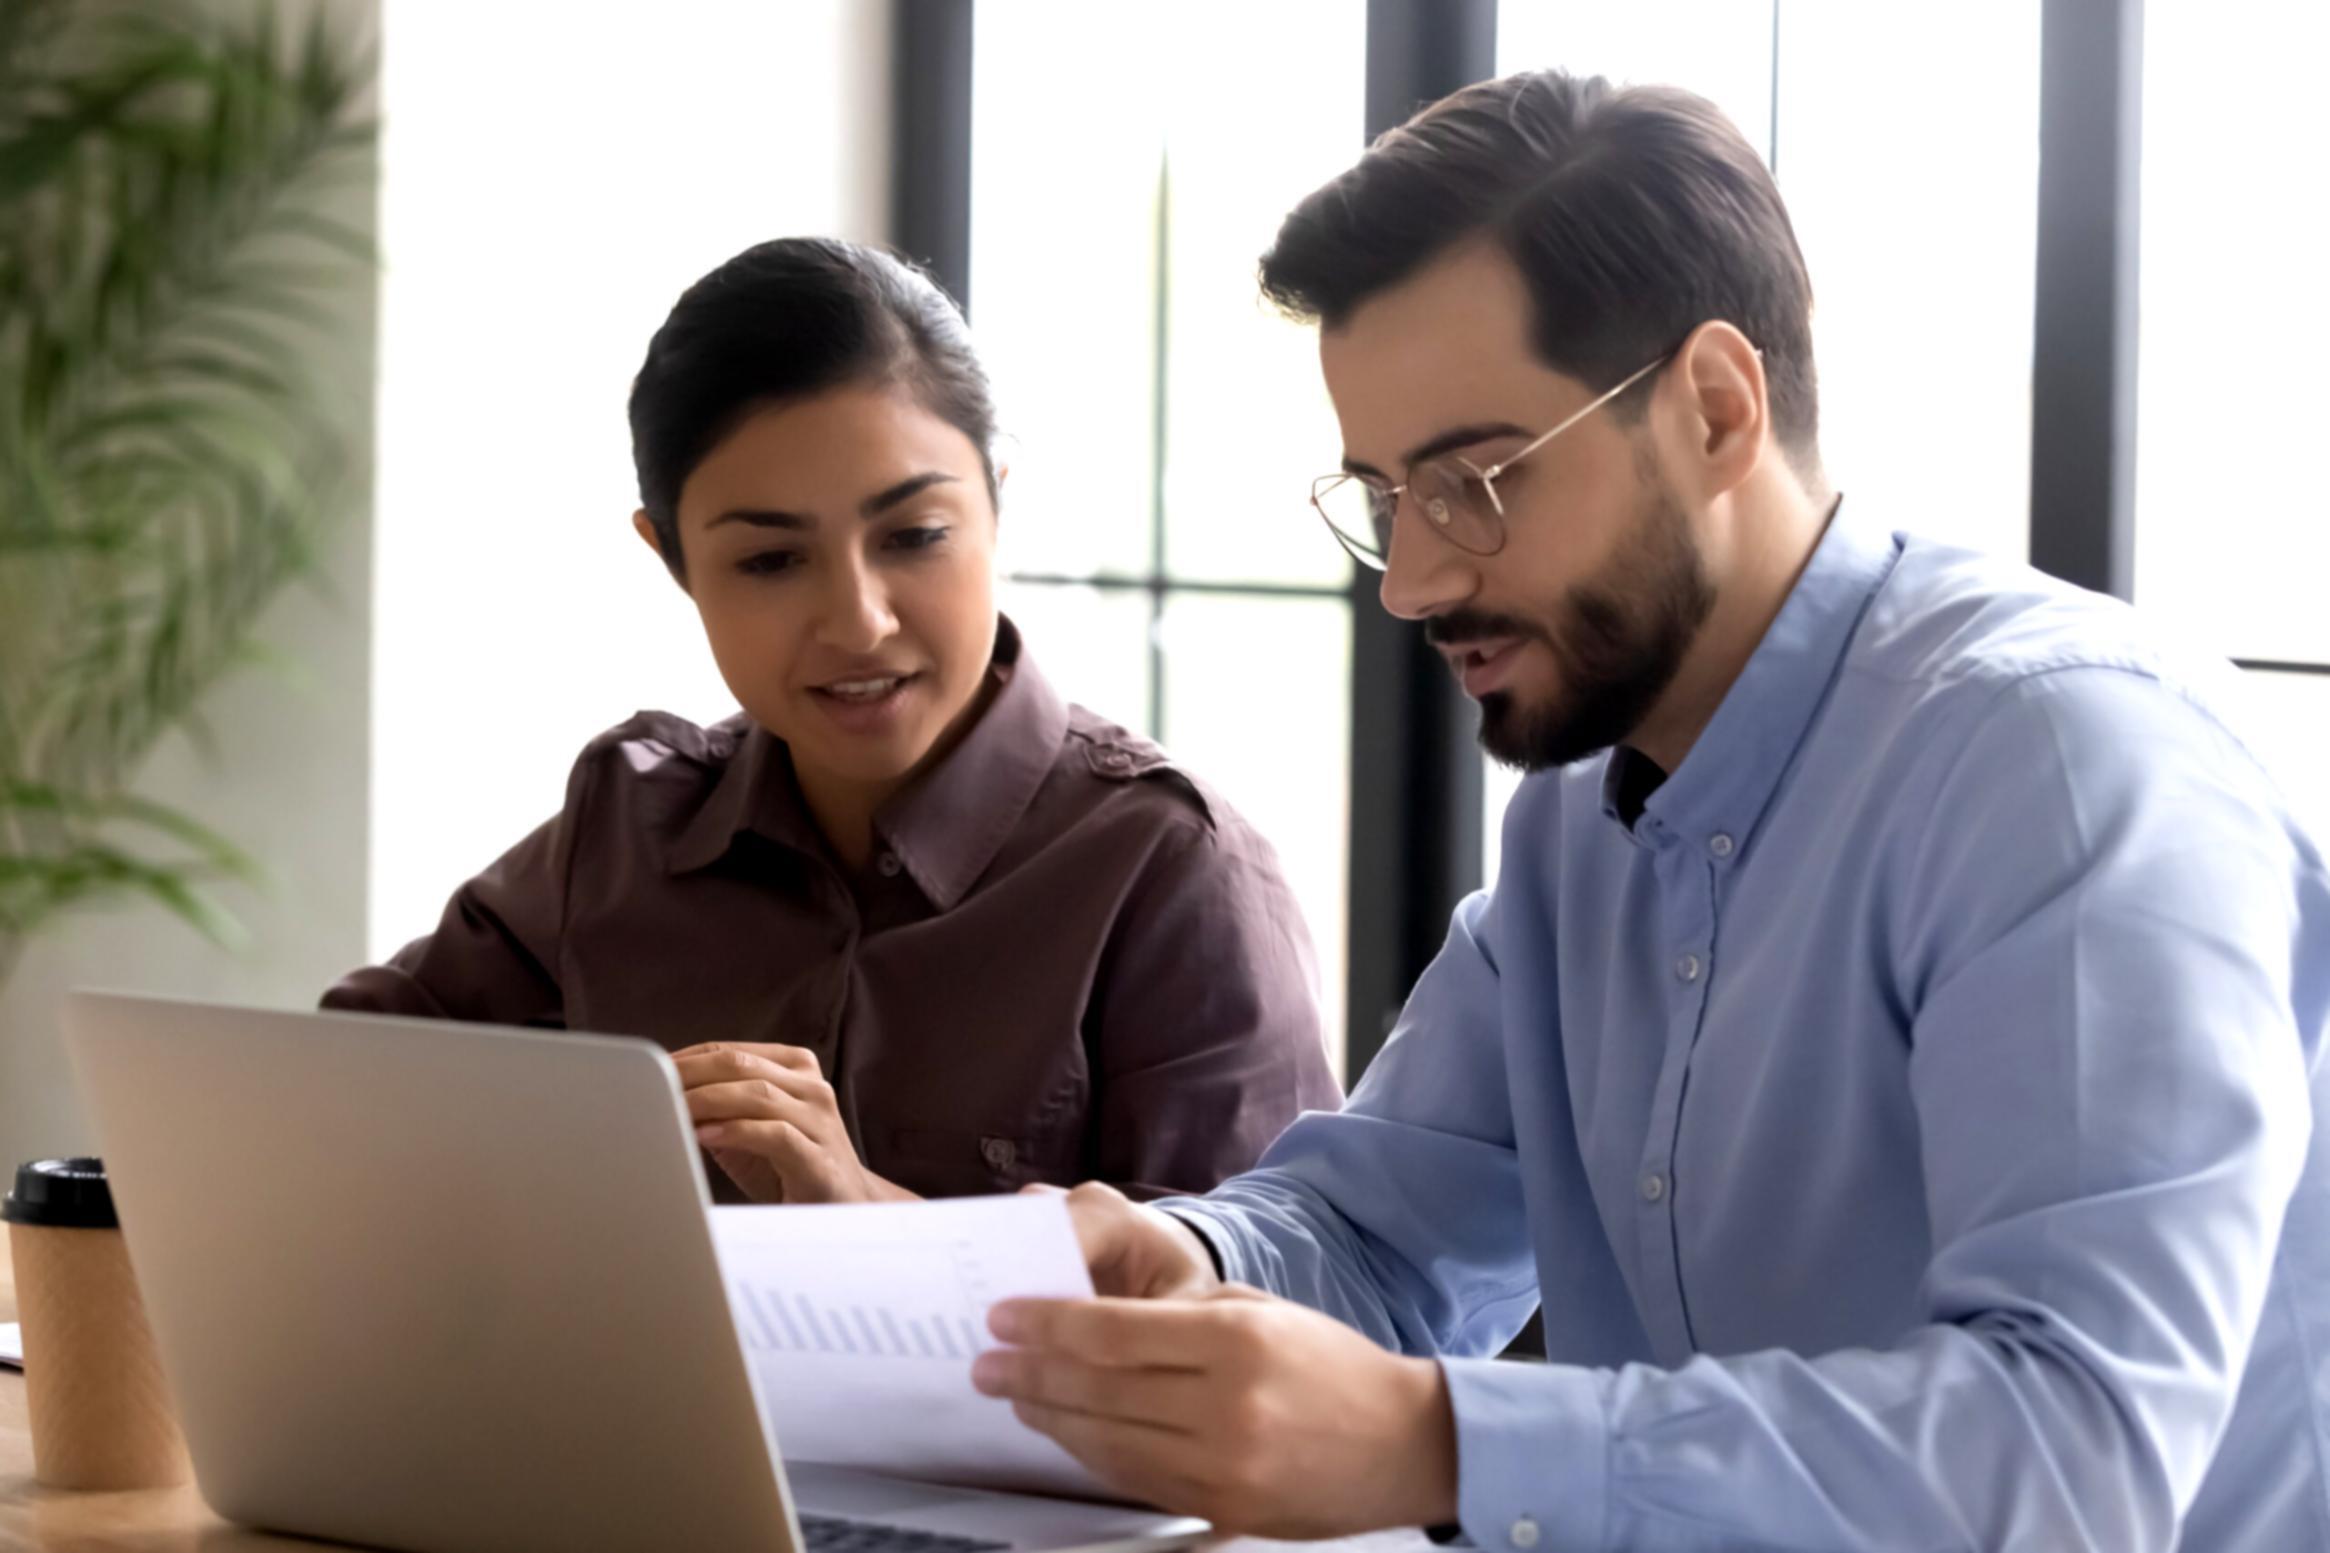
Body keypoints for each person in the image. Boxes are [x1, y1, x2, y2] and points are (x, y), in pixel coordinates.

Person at [969, 71, 2330, 1552]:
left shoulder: (2058, 765)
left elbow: (2071, 1450)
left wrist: (1437, 1443)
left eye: (1474, 480)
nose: (1412, 581)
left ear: (1713, 409)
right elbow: (1382, 1229)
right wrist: (1168, 1257)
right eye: (1381, 497)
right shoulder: (1579, 809)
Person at [325, 237, 1339, 1204]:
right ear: (673, 560)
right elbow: (328, 1089)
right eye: (769, 560)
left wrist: (868, 1218)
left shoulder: (1170, 870)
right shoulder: (628, 825)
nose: (858, 620)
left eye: (915, 535)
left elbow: (1245, 1337)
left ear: (995, 503)